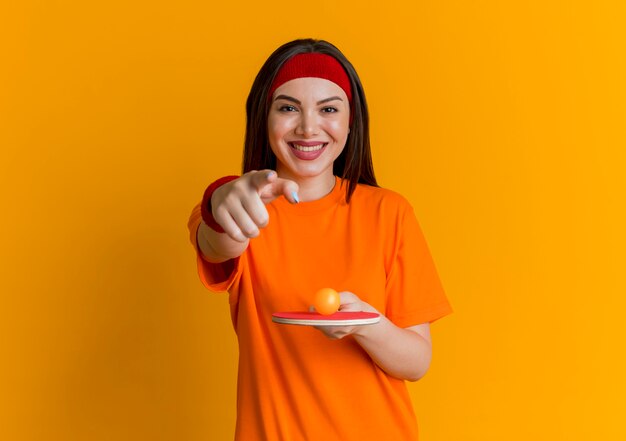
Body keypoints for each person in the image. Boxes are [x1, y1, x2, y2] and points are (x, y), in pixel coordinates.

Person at [187, 38, 452, 440]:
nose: (308, 127)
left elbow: (416, 363)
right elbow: (216, 241)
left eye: (328, 108)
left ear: (350, 122)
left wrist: (364, 324)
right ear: (264, 118)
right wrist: (221, 200)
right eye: (288, 107)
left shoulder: (389, 212)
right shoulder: (243, 213)